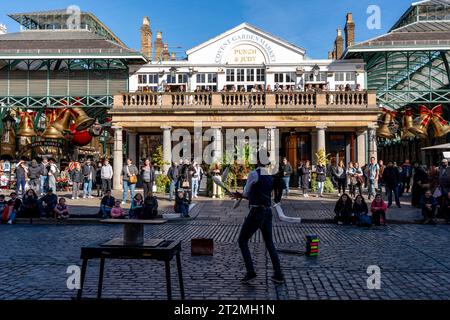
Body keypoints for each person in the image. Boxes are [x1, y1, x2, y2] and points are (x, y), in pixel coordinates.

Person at [231, 154, 284, 284]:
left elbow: (247, 193)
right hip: (267, 211)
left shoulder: (254, 174)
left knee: (242, 240)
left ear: (259, 161)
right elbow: (258, 194)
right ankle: (278, 274)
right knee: (269, 243)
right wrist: (242, 196)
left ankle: (251, 272)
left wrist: (239, 195)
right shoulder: (270, 175)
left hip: (256, 213)